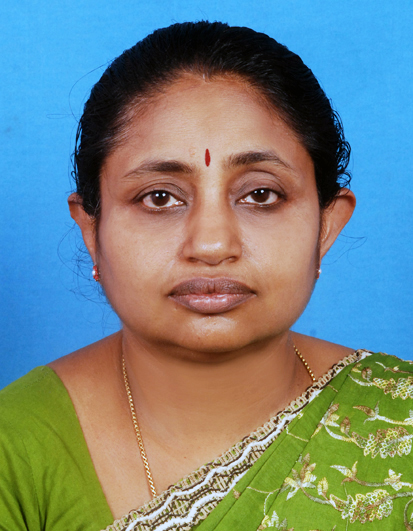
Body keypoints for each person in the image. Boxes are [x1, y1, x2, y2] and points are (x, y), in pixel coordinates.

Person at [1, 21, 412, 531]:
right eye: (159, 198)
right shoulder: (15, 445)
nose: (213, 245)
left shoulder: (400, 423)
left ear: (326, 225)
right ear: (92, 229)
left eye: (260, 194)